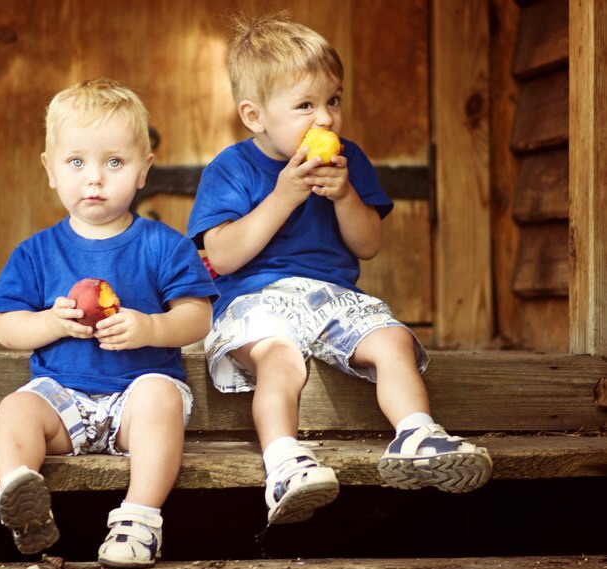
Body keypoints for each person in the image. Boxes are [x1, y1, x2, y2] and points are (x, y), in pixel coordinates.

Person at [187, 13, 493, 527]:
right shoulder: (231, 169)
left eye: (333, 100)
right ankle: (285, 462)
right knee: (281, 361)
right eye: (305, 105)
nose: (326, 118)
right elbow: (220, 255)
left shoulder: (348, 160)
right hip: (257, 300)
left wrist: (347, 196)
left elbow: (368, 244)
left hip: (330, 298)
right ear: (255, 115)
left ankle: (417, 434)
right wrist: (284, 195)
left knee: (394, 340)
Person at [0, 78, 217, 568]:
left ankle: (138, 519)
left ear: (143, 171)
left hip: (137, 402)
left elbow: (198, 317)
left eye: (114, 162)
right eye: (76, 162)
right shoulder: (36, 252)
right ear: (49, 170)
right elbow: (8, 328)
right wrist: (50, 323)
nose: (95, 178)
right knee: (15, 409)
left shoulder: (162, 244)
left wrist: (151, 329)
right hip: (62, 401)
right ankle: (21, 495)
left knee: (160, 396)